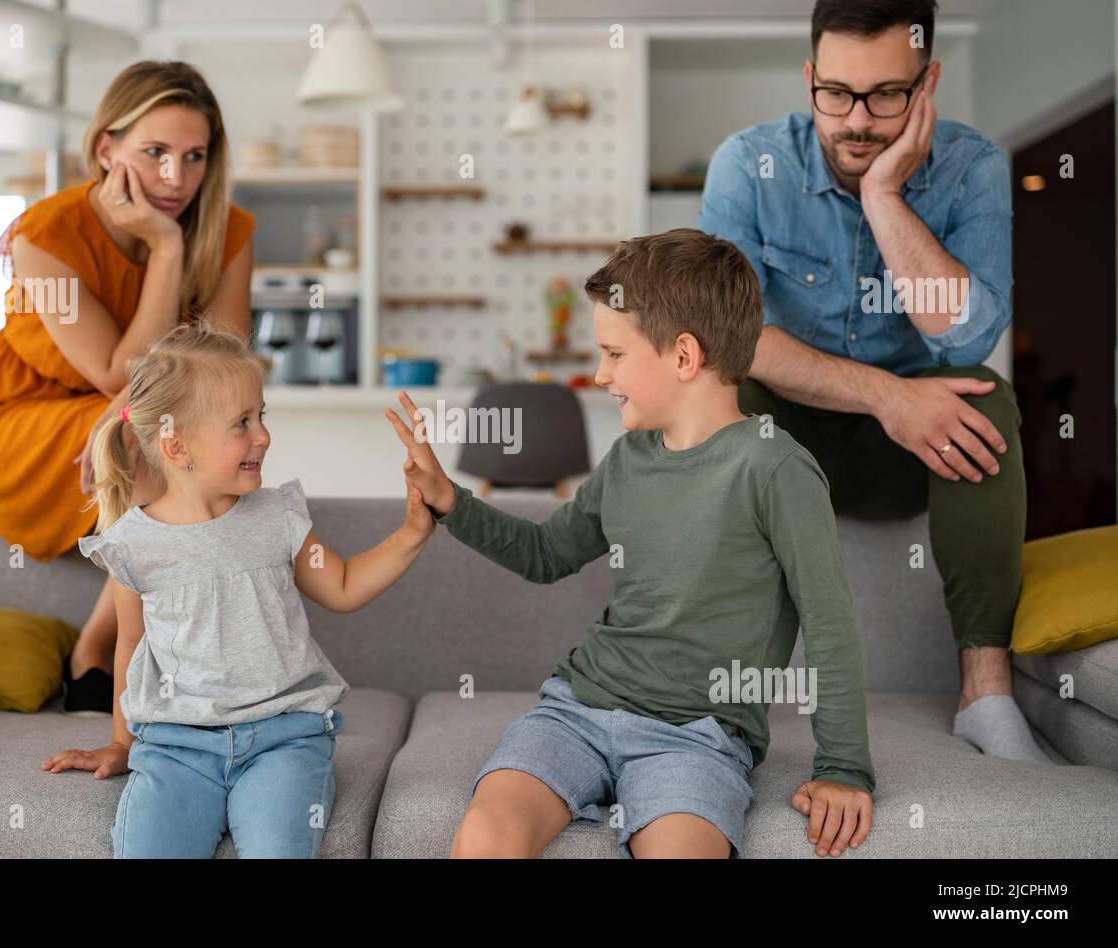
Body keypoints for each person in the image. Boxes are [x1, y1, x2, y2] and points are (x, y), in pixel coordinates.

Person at [388, 228, 876, 859]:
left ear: (683, 357)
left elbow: (830, 625)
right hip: (576, 711)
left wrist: (842, 768)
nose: (598, 374)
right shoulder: (628, 459)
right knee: (485, 836)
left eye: (614, 354)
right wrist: (451, 500)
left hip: (698, 739)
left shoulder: (774, 469)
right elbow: (546, 554)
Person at [697, 0, 1051, 764]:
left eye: (887, 94)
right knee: (730, 393)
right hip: (793, 440)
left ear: (927, 85)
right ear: (809, 78)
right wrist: (888, 394)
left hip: (908, 460)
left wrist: (883, 196)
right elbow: (738, 337)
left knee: (983, 394)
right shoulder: (746, 163)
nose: (857, 121)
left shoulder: (974, 165)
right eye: (837, 93)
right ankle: (729, 698)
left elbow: (966, 334)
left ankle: (984, 696)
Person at [41, 321, 435, 858]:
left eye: (262, 416)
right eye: (242, 423)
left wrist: (414, 530)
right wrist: (120, 743)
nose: (264, 435)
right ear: (178, 446)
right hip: (176, 748)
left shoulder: (277, 517)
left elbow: (342, 585)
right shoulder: (133, 543)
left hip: (284, 741)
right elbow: (130, 647)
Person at [0, 61, 254, 714]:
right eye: (155, 154)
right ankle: (121, 676)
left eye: (194, 157)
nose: (177, 179)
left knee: (201, 434)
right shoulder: (44, 235)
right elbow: (118, 371)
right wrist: (167, 249)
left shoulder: (228, 229)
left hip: (134, 412)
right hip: (24, 420)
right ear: (105, 150)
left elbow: (224, 373)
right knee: (157, 436)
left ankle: (92, 646)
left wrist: (125, 410)